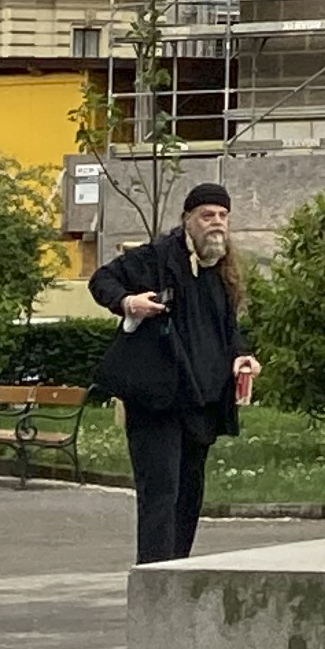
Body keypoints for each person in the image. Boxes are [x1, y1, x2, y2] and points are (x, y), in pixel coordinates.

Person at [89, 176, 259, 564]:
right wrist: (128, 302)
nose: (216, 222)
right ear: (187, 219)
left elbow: (228, 330)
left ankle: (178, 570)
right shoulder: (156, 258)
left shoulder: (221, 271)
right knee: (161, 491)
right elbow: (103, 280)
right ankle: (155, 575)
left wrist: (242, 356)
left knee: (189, 493)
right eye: (206, 215)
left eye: (222, 216)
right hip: (158, 398)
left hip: (202, 400)